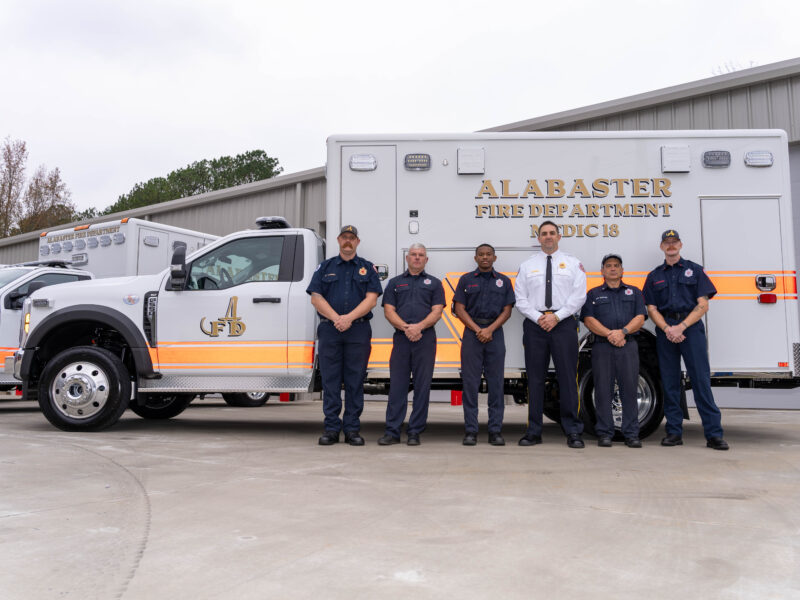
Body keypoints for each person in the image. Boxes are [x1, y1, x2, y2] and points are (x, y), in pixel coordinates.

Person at [643, 229, 729, 450]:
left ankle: (714, 434)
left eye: (674, 242)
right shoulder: (654, 276)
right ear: (661, 247)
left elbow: (703, 304)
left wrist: (681, 326)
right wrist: (667, 329)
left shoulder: (695, 270)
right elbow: (651, 308)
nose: (671, 246)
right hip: (666, 331)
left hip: (690, 330)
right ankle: (673, 432)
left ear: (680, 245)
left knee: (701, 381)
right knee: (670, 383)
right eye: (667, 242)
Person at [306, 225, 382, 446]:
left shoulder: (367, 268)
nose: (348, 241)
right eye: (344, 237)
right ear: (339, 240)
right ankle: (331, 429)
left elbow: (371, 299)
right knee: (330, 381)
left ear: (357, 242)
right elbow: (316, 298)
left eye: (352, 238)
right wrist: (337, 318)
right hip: (330, 330)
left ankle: (352, 430)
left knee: (354, 381)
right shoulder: (325, 267)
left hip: (358, 330)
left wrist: (348, 318)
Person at [514, 220, 587, 448]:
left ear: (559, 236)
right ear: (538, 238)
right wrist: (540, 318)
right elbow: (520, 299)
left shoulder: (573, 264)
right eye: (544, 233)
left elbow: (579, 297)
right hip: (535, 326)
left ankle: (573, 431)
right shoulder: (527, 266)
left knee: (567, 378)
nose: (548, 237)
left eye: (552, 233)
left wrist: (556, 317)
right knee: (535, 380)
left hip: (564, 324)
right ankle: (533, 431)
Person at [378, 243, 445, 446]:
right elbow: (389, 310)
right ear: (407, 258)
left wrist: (418, 328)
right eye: (413, 255)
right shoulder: (395, 283)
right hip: (401, 339)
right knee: (397, 386)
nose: (417, 258)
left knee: (422, 386)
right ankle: (392, 431)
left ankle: (415, 431)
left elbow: (437, 311)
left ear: (426, 260)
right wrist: (407, 328)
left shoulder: (434, 283)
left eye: (421, 255)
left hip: (425, 340)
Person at [580, 253, 646, 448]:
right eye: (608, 265)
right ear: (602, 271)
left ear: (622, 270)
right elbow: (589, 320)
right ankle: (605, 433)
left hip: (628, 345)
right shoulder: (593, 294)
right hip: (602, 346)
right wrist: (610, 334)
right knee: (602, 390)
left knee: (629, 389)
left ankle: (631, 434)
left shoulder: (634, 292)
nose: (613, 268)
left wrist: (623, 332)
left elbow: (640, 317)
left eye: (616, 265)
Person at [453, 244, 515, 446]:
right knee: (470, 384)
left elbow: (507, 310)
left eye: (488, 254)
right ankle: (471, 431)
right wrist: (477, 329)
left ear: (494, 258)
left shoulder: (503, 281)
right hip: (472, 334)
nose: (485, 257)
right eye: (481, 255)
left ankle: (495, 431)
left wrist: (489, 330)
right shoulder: (466, 280)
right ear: (475, 258)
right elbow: (459, 308)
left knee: (496, 384)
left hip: (495, 334)